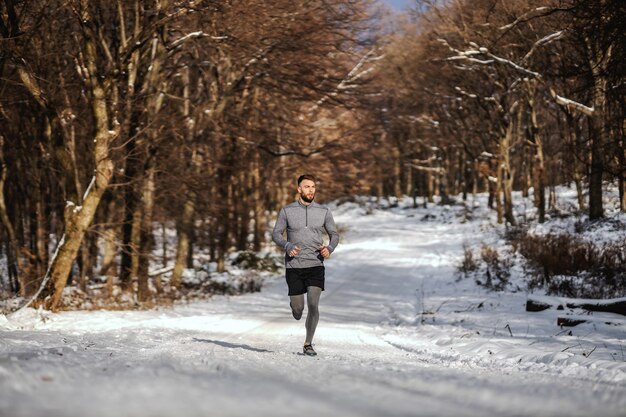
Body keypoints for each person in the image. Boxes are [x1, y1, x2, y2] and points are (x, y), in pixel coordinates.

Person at [272, 174, 340, 356]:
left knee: (314, 305)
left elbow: (334, 234)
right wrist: (287, 245)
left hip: (315, 264)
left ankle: (308, 343)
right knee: (298, 309)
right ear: (299, 189)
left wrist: (330, 248)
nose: (311, 190)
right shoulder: (286, 211)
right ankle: (295, 308)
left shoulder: (324, 211)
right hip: (294, 266)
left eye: (313, 187)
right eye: (307, 187)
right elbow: (276, 234)